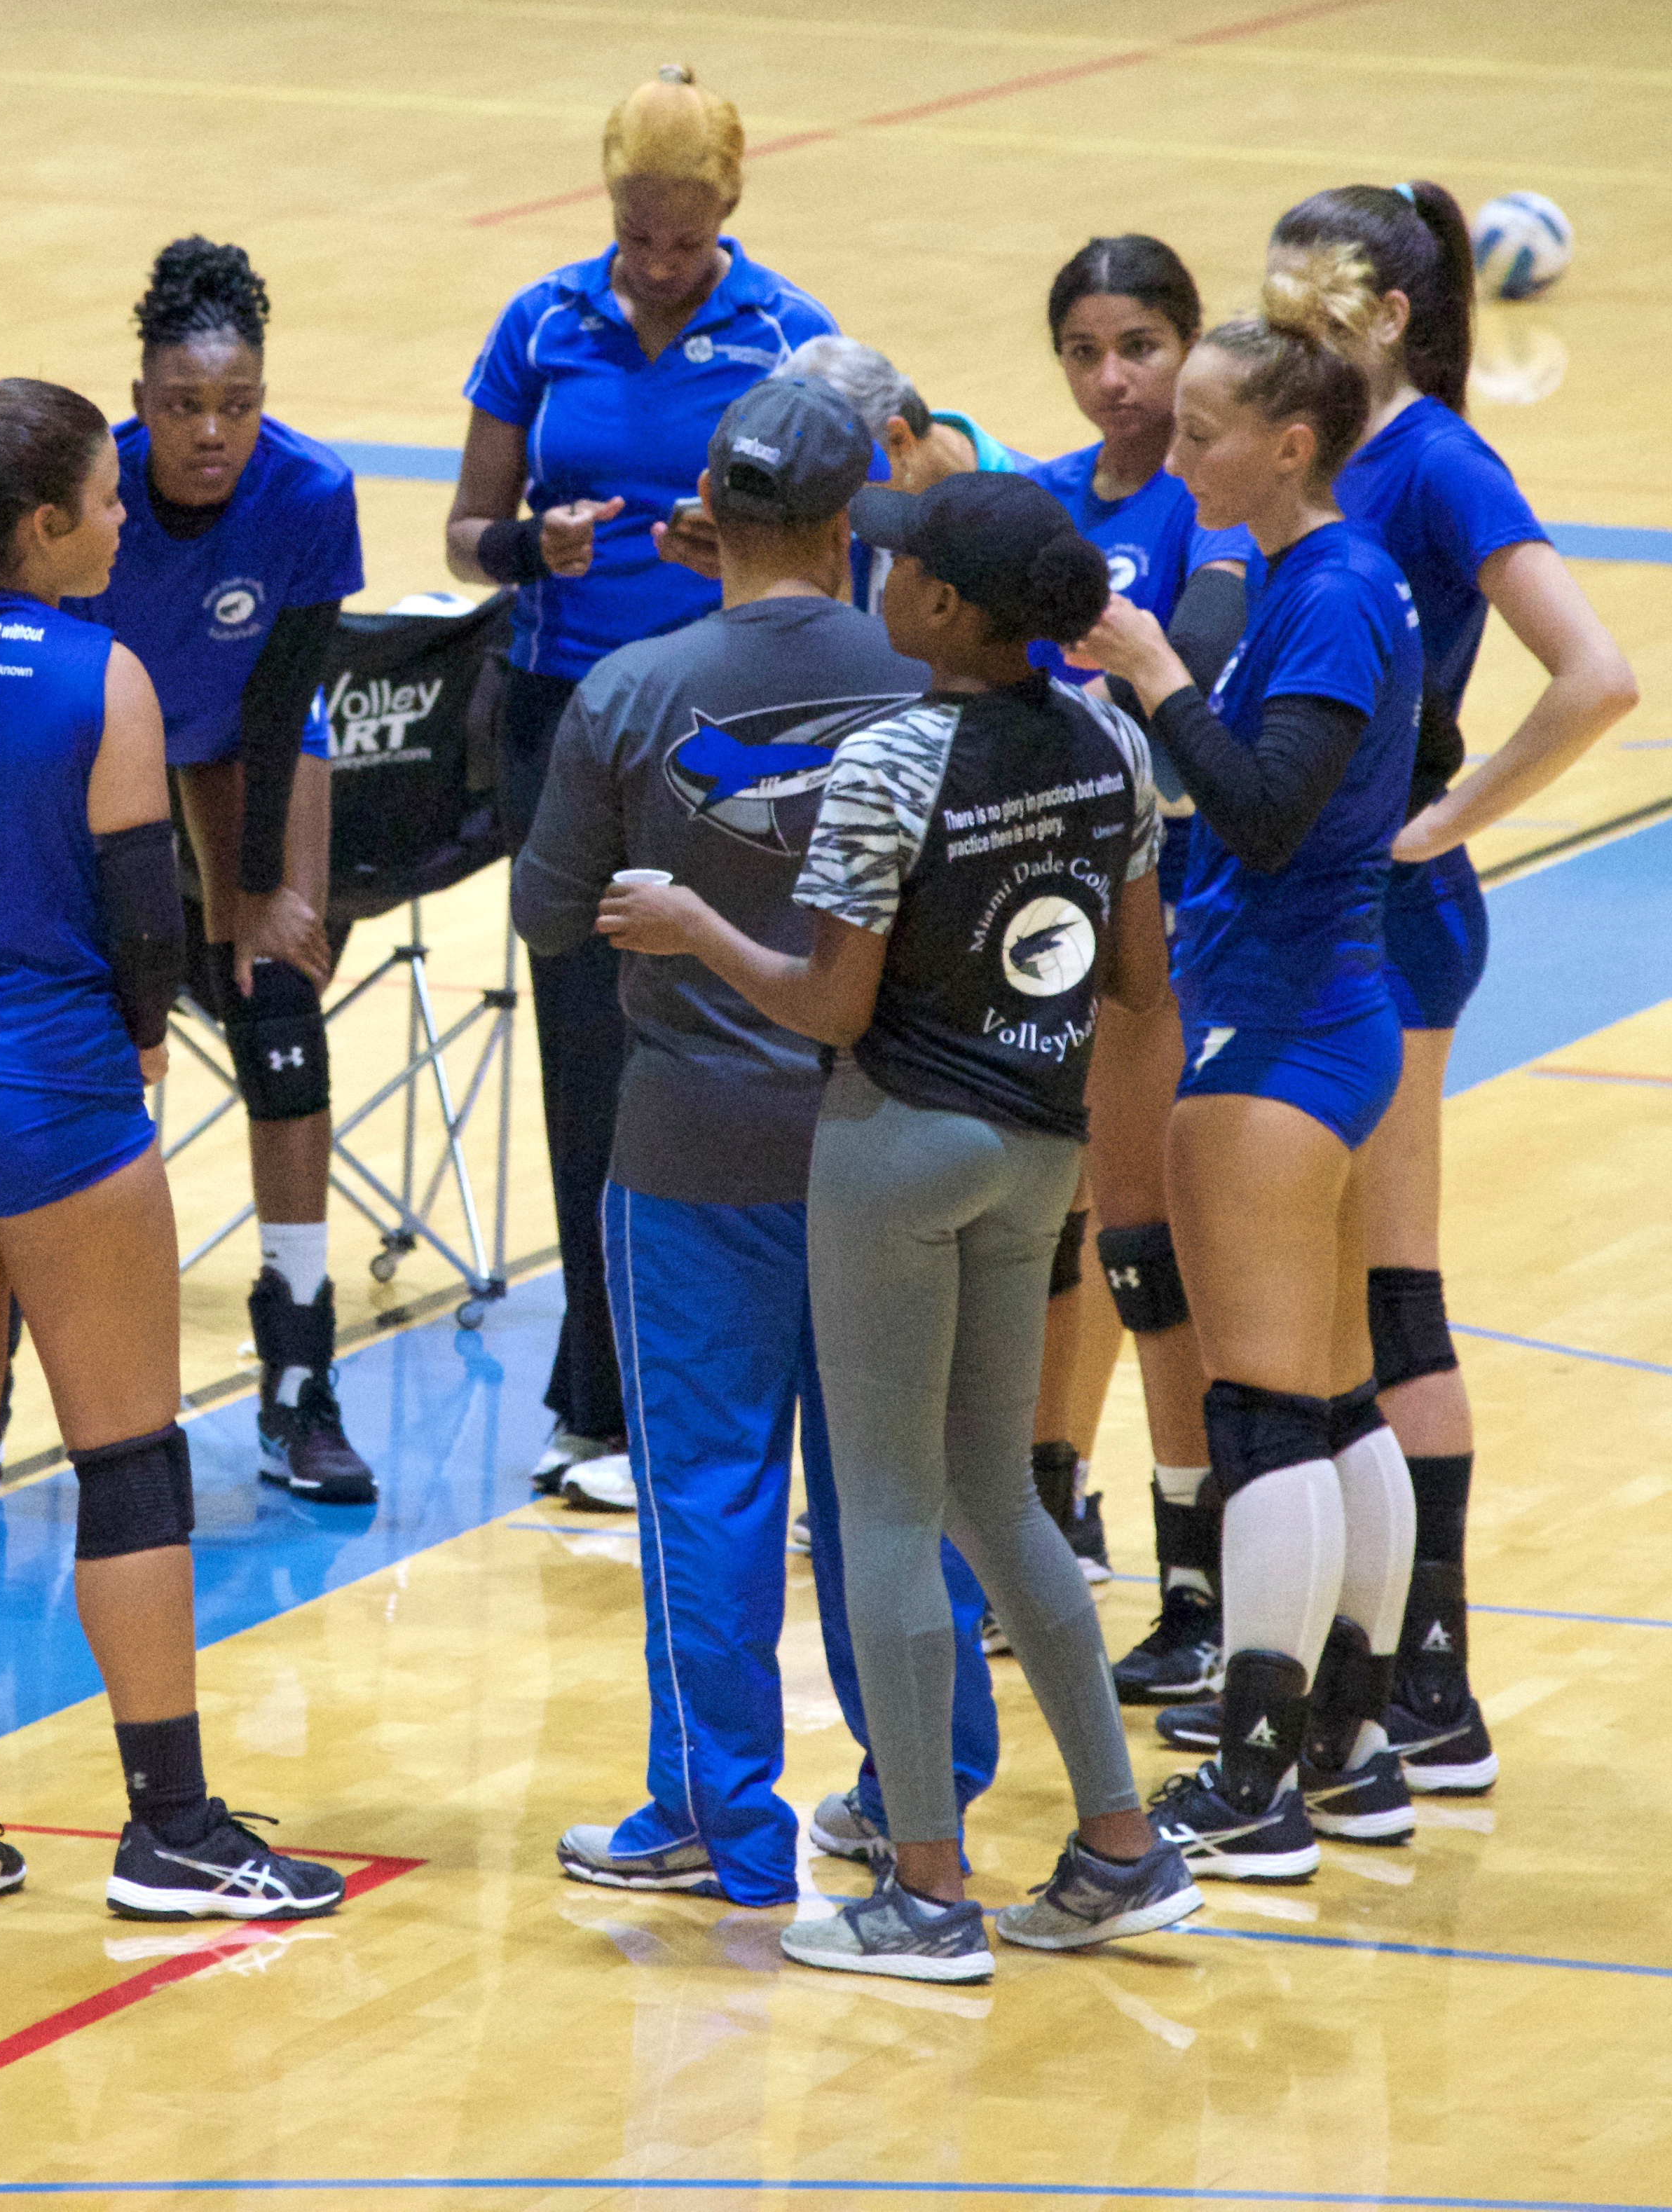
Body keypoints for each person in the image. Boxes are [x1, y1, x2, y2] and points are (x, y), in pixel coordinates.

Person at [610, 472, 1202, 1979]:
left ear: (943, 605)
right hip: (1038, 1149)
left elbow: (829, 1005)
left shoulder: (890, 762)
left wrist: (694, 927)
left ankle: (927, 1891)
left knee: (880, 1513)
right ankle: (1121, 1844)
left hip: (894, 1149)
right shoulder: (1110, 741)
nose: (875, 573)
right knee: (998, 1498)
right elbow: (1139, 978)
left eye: (898, 564)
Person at [0, 376, 342, 1923]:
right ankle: (172, 1829)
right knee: (128, 1457)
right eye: (104, 500)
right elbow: (145, 924)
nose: (121, 520)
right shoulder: (106, 678)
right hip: (44, 1089)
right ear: (42, 526)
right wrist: (135, 1038)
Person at [1198, 181, 1639, 1800]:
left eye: (1305, 307)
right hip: (1310, 898)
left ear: (1389, 317)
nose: (1279, 333)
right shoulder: (1299, 455)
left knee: (1383, 1297)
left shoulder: (1436, 462)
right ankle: (1339, 1677)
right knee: (1322, 1309)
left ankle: (1425, 1685)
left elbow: (1596, 675)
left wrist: (1448, 817)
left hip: (1385, 908)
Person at [508, 378, 934, 1914]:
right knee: (899, 1491)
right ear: (851, 515)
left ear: (708, 504)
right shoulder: (932, 681)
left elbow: (547, 914)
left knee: (706, 1486)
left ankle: (716, 1821)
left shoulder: (631, 686)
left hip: (691, 1151)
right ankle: (916, 1804)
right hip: (894, 1143)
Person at [1074, 252, 1428, 1880]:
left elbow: (1271, 809)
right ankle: (1353, 1752)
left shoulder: (1335, 587)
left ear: (1291, 445)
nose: (1177, 451)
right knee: (1338, 1403)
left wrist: (1157, 676)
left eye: (1203, 432)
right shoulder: (1313, 574)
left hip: (1283, 1027)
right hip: (1320, 1010)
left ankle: (1259, 1781)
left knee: (1265, 1414)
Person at [446, 66, 840, 1498]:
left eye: (686, 238)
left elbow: (840, 543)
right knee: (589, 1057)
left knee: (743, 1044)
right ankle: (601, 1392)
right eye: (636, 233)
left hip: (739, 723)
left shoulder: (791, 335)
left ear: (730, 207)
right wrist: (526, 548)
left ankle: (750, 1377)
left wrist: (739, 556)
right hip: (568, 718)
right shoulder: (540, 322)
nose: (660, 263)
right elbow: (464, 534)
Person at [71, 236, 374, 1503]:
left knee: (278, 1003)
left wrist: (251, 896)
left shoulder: (310, 492)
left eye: (238, 404)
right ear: (139, 399)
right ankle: (38, 1378)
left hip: (252, 731)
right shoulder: (88, 489)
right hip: (106, 742)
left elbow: (279, 701)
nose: (212, 431)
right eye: (185, 404)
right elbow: (67, 699)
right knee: (85, 1024)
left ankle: (298, 1372)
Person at [1017, 235, 1255, 1703]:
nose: (1113, 379)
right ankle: (1043, 1517)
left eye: (1142, 349)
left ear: (1190, 343)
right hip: (1033, 915)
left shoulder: (1211, 501)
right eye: (1085, 352)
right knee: (1045, 1237)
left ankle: (1198, 1581)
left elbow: (1201, 682)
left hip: (1164, 921)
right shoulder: (1045, 498)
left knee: (1148, 1250)